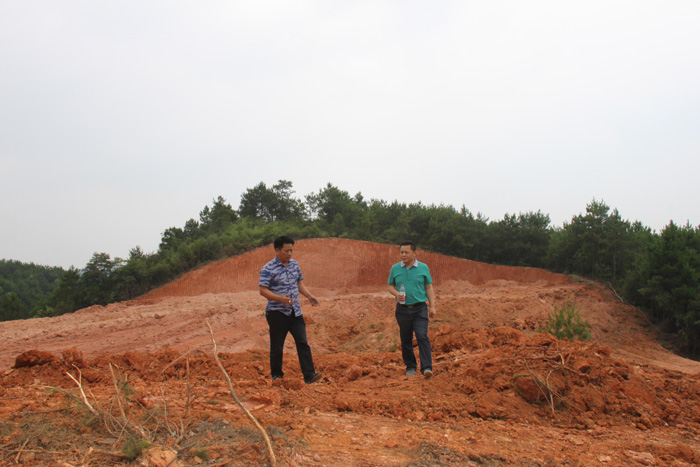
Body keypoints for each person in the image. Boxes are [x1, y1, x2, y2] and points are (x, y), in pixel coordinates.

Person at [259, 235, 322, 384]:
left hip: (295, 312)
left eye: (291, 250)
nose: (289, 254)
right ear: (277, 250)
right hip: (277, 313)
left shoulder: (294, 265)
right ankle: (277, 376)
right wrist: (280, 298)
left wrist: (309, 296)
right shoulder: (268, 269)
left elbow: (299, 283)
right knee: (277, 346)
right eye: (286, 251)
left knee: (302, 342)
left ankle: (309, 375)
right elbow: (263, 290)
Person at [387, 241, 437, 379]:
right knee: (406, 339)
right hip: (402, 310)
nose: (403, 255)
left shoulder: (423, 268)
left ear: (414, 253)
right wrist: (396, 294)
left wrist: (432, 305)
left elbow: (429, 287)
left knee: (422, 336)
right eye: (401, 252)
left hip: (420, 308)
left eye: (406, 252)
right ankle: (410, 366)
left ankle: (427, 367)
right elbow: (390, 286)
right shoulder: (395, 268)